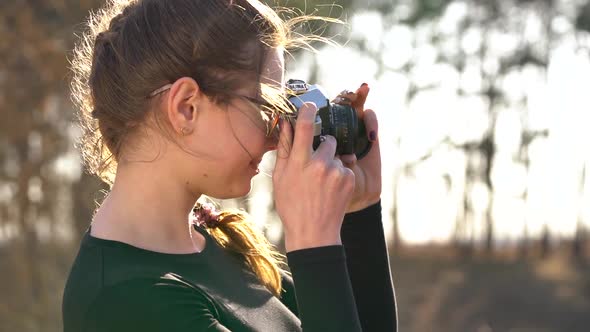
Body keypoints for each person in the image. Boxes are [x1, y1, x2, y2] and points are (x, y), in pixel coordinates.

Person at [62, 0, 397, 331]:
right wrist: (313, 241)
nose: (274, 137)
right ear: (186, 108)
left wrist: (358, 214)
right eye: (266, 109)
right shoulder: (124, 302)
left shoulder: (218, 246)